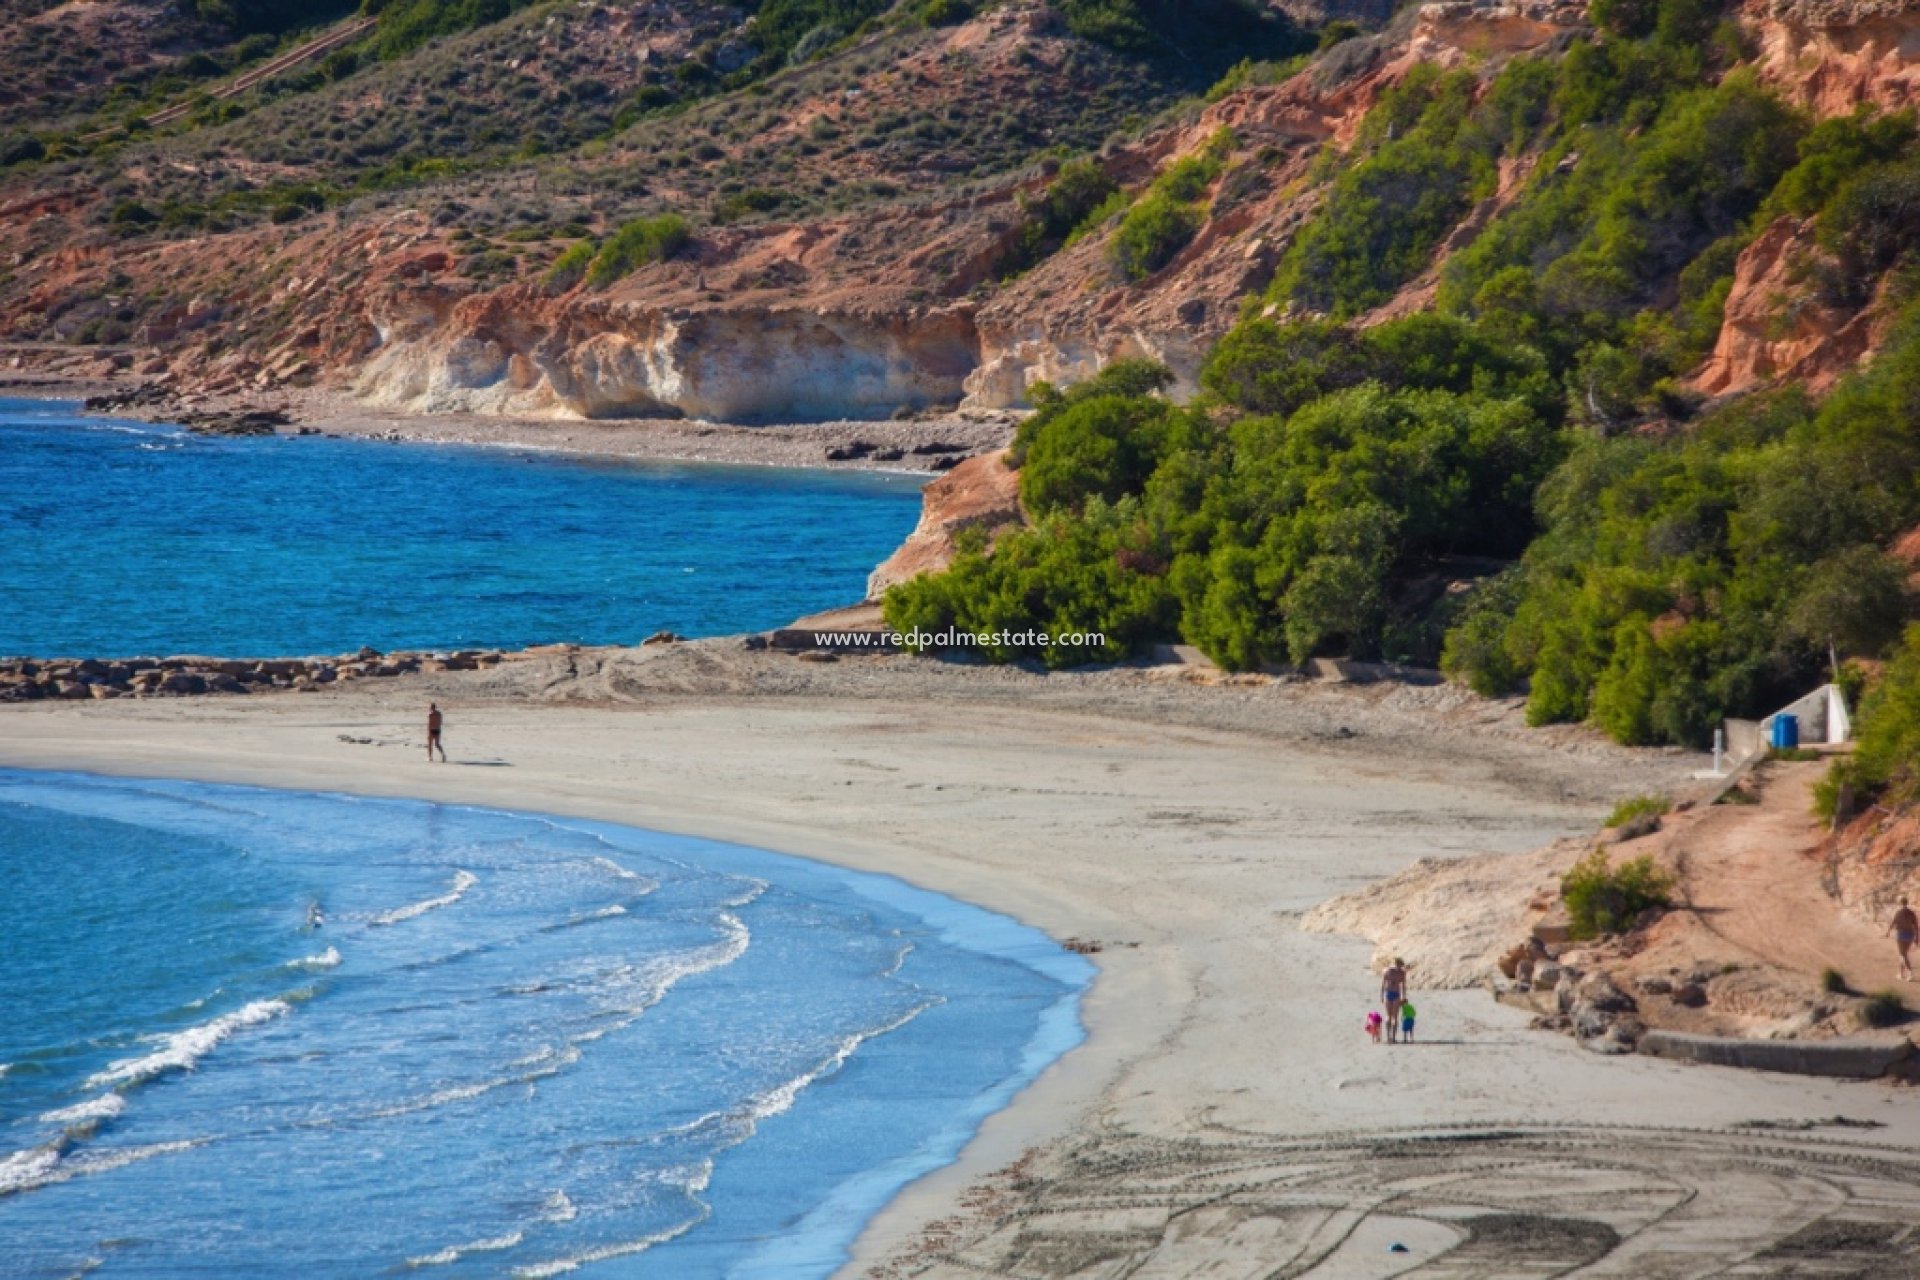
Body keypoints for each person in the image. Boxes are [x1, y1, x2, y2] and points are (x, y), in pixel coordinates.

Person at [1888, 898, 1918, 982]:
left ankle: (1910, 973)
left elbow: (1893, 922)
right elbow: (1916, 926)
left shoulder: (1898, 912)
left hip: (1901, 934)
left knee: (1902, 955)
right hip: (1910, 934)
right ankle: (1901, 974)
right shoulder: (1911, 913)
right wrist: (1917, 938)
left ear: (1900, 903)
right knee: (1903, 954)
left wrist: (1888, 932)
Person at [1380, 957, 1408, 1044]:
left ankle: (1389, 1037)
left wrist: (1381, 996)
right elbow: (1403, 986)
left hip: (1388, 993)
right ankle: (1393, 1037)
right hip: (1396, 994)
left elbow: (1383, 985)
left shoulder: (1387, 971)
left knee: (1389, 1016)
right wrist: (1404, 997)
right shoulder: (1402, 973)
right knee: (1394, 1017)